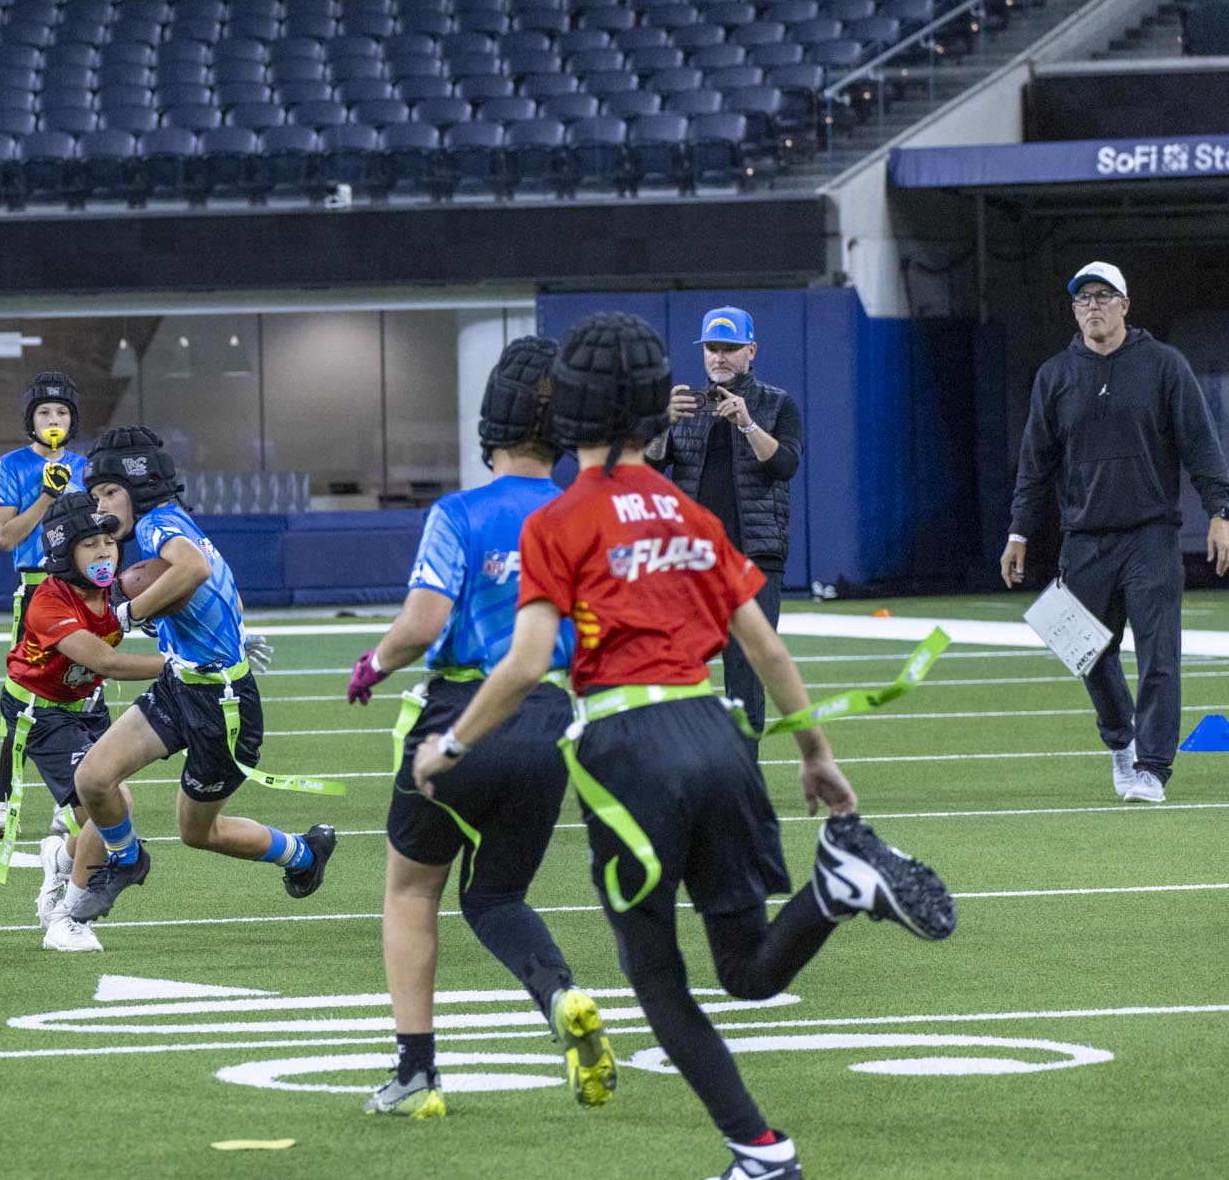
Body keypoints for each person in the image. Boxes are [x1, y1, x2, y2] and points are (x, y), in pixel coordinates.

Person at [416, 312, 955, 1180]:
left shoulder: (558, 520)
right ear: (646, 410)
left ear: (569, 416)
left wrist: (448, 744)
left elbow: (523, 663)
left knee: (656, 974)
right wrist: (816, 753)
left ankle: (761, 1151)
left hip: (632, 750)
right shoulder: (687, 513)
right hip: (718, 734)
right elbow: (766, 648)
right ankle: (836, 888)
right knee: (745, 970)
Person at [346, 336, 615, 1120]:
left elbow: (421, 624)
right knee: (496, 894)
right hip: (551, 725)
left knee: (410, 891)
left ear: (489, 423)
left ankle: (416, 1073)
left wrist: (373, 664)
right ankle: (560, 995)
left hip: (460, 717)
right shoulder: (582, 517)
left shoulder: (459, 514)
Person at [55, 426, 327, 924]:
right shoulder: (172, 521)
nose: (102, 507)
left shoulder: (158, 525)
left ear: (140, 486)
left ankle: (303, 853)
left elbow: (196, 568)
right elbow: (225, 587)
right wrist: (226, 632)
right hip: (181, 684)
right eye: (96, 497)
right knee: (93, 778)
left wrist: (133, 612)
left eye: (110, 492)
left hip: (221, 705)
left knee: (198, 832)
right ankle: (127, 860)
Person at [1002, 261, 1229, 805]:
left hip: (1151, 534)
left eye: (1104, 296)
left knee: (1159, 656)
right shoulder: (1055, 375)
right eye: (1083, 298)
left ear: (1125, 305)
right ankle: (1121, 739)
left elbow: (1201, 444)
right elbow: (1035, 463)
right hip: (1083, 537)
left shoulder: (1164, 365)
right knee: (1083, 649)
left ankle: (1152, 769)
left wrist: (1220, 512)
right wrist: (1019, 532)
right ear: (1073, 310)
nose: (1093, 306)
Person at [3, 491, 168, 952]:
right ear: (63, 553)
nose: (104, 553)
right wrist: (179, 665)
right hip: (42, 712)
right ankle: (68, 918)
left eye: (109, 543)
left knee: (99, 813)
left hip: (89, 704)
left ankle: (62, 858)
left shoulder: (119, 587)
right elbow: (106, 662)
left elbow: (180, 596)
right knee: (111, 802)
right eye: (90, 544)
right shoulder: (49, 602)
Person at [646, 306, 802, 743]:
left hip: (754, 556)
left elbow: (784, 465)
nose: (719, 357)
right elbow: (647, 468)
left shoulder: (777, 403)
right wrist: (661, 425)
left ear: (751, 351)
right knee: (674, 665)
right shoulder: (685, 406)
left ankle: (743, 769)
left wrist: (747, 423)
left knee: (747, 672)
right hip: (690, 560)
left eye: (730, 348)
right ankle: (680, 765)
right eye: (712, 348)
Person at [0, 371, 89, 838]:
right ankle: (3, 803)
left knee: (83, 696)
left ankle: (73, 802)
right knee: (24, 698)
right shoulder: (11, 465)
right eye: (44, 412)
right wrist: (48, 495)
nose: (53, 419)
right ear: (31, 419)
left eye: (62, 412)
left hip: (83, 593)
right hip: (36, 592)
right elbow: (6, 538)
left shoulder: (87, 466)